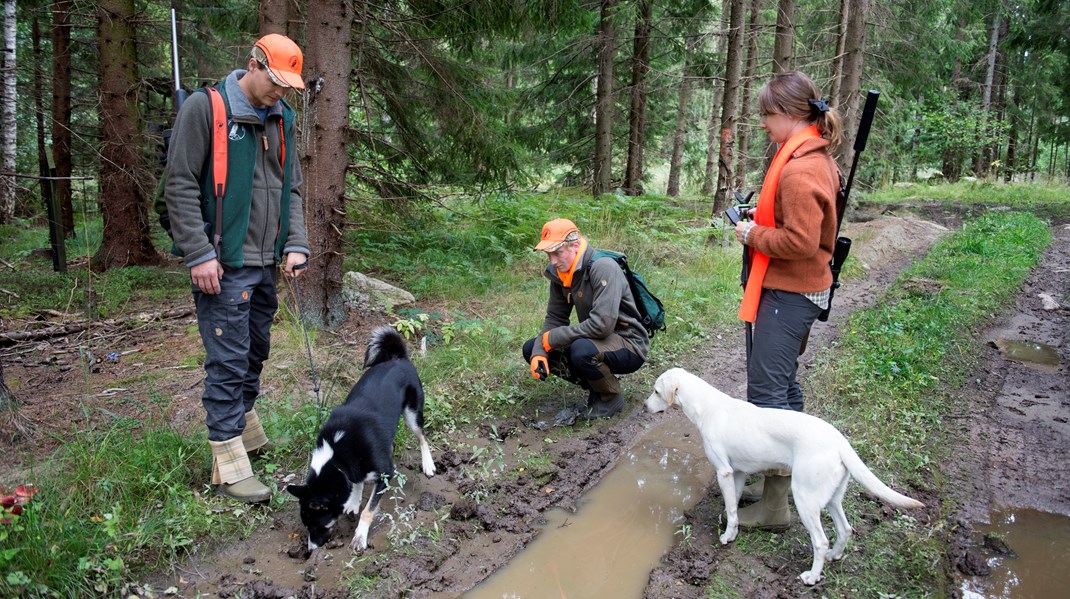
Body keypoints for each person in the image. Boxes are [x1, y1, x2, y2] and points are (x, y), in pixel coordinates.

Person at [165, 34, 309, 503]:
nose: (280, 92)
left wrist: (296, 243)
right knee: (227, 363)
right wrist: (198, 253)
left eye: (288, 86)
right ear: (253, 64)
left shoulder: (282, 118)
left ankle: (244, 434)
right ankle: (228, 467)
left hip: (266, 263)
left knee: (255, 353)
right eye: (276, 81)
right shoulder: (205, 109)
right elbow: (180, 184)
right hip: (223, 265)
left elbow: (291, 190)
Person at [731, 71, 841, 529]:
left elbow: (799, 241)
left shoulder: (801, 169)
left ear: (793, 115)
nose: (762, 124)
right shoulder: (806, 158)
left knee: (767, 395)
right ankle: (785, 481)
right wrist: (760, 216)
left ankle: (775, 507)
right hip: (793, 290)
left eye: (767, 115)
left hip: (790, 293)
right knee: (784, 386)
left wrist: (752, 233)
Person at [522, 218, 649, 419]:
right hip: (598, 341)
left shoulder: (603, 267)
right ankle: (596, 385)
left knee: (581, 350)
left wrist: (553, 338)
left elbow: (602, 326)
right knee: (531, 348)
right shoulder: (561, 274)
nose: (552, 261)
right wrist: (539, 350)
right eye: (548, 254)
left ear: (575, 246)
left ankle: (610, 398)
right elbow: (555, 318)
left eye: (557, 253)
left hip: (629, 343)